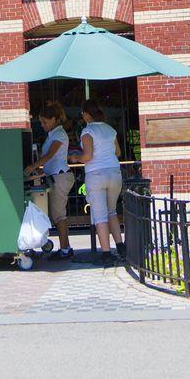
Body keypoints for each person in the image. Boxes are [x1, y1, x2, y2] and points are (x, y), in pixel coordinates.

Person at [70, 100, 123, 267]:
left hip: (96, 174)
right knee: (112, 211)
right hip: (114, 172)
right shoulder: (110, 130)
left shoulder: (88, 131)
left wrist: (74, 158)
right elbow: (119, 152)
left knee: (100, 215)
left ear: (86, 114)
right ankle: (121, 247)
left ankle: (106, 254)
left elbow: (88, 156)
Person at [25, 101, 75, 260]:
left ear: (54, 119)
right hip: (55, 176)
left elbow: (49, 156)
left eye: (44, 122)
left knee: (59, 215)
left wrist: (32, 167)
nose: (42, 125)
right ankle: (62, 247)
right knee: (56, 214)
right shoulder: (53, 134)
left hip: (59, 176)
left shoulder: (59, 134)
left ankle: (65, 249)